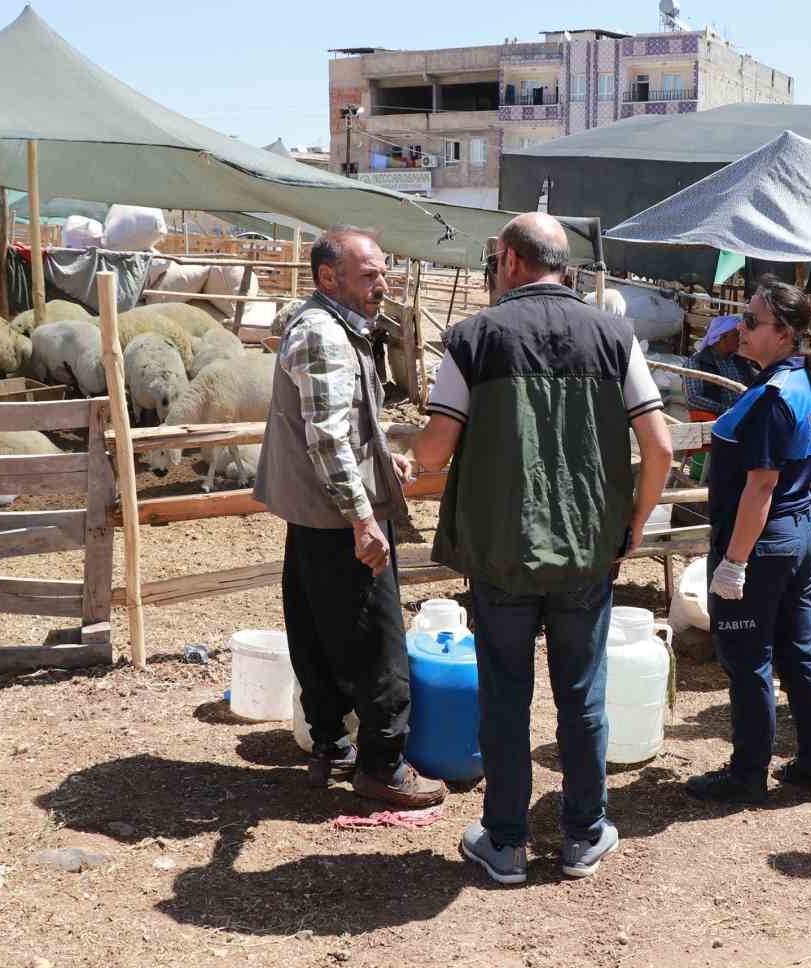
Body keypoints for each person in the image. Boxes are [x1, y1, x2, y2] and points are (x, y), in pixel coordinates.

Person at [411, 212, 673, 885]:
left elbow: (435, 451)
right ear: (564, 264)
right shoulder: (616, 335)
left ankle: (505, 843)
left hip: (503, 551)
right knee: (582, 695)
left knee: (505, 696)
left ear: (508, 260)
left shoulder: (473, 337)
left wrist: (418, 450)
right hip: (588, 550)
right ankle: (585, 834)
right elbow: (661, 446)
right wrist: (636, 523)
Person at [254, 225, 444, 809]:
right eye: (369, 275)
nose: (381, 285)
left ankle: (331, 744)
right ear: (328, 277)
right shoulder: (324, 335)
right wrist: (364, 518)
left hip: (313, 511)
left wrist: (383, 459)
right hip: (341, 516)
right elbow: (329, 438)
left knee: (315, 627)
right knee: (377, 637)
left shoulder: (325, 324)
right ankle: (383, 765)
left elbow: (339, 424)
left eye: (383, 273)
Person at [684, 277, 811, 805]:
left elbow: (762, 485)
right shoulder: (802, 383)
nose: (740, 328)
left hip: (763, 541)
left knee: (748, 658)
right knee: (799, 653)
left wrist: (733, 562)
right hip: (796, 535)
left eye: (752, 322)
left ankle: (747, 773)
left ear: (786, 333)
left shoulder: (775, 397)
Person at [684, 313, 759, 419]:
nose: (740, 339)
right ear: (723, 337)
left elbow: (756, 383)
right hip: (714, 421)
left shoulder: (740, 361)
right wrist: (728, 410)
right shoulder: (696, 362)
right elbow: (693, 399)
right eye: (736, 335)